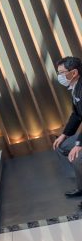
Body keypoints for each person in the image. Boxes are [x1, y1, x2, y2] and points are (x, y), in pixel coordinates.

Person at [52, 56, 82, 197]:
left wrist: (79, 144)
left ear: (74, 72)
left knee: (77, 157)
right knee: (61, 146)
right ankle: (79, 181)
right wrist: (64, 135)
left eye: (62, 73)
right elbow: (76, 115)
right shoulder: (75, 87)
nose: (59, 76)